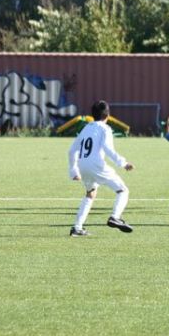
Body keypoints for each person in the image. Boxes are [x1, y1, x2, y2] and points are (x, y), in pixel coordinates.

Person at [67, 100, 135, 237]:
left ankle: (77, 227)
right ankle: (115, 217)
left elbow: (72, 150)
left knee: (90, 193)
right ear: (107, 115)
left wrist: (73, 170)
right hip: (96, 165)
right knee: (123, 190)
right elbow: (108, 149)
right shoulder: (105, 129)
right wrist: (123, 163)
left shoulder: (86, 128)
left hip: (83, 165)